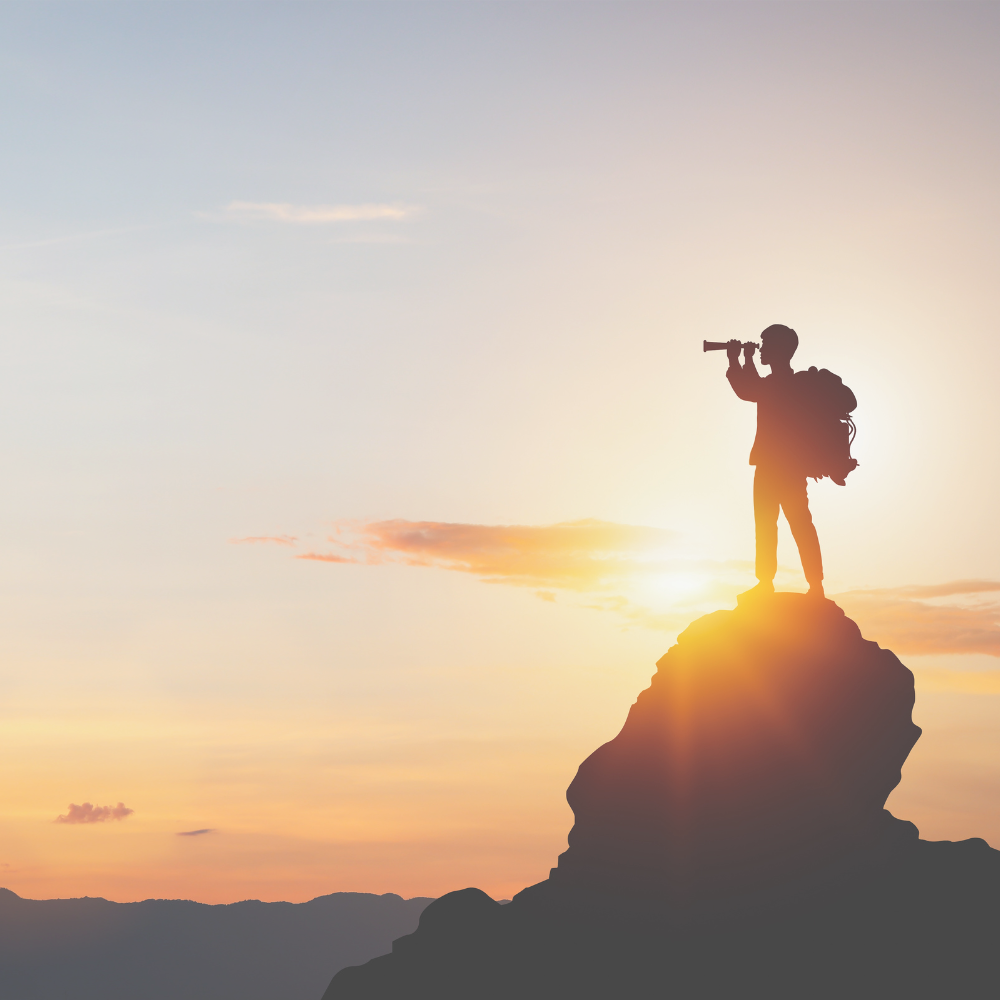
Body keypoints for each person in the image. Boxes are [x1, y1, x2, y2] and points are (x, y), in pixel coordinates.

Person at [726, 324, 824, 599]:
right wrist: (743, 359)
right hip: (782, 466)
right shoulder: (788, 383)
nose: (761, 349)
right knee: (783, 523)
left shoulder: (785, 384)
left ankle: (802, 584)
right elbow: (753, 388)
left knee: (789, 524)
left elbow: (748, 389)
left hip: (778, 467)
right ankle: (797, 583)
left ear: (780, 350)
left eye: (766, 344)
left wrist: (737, 359)